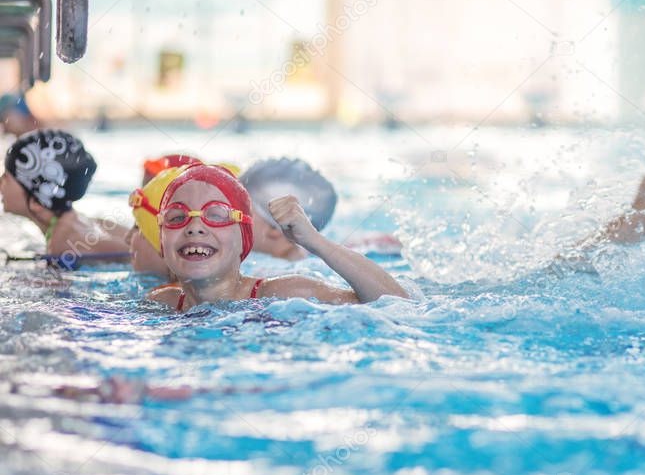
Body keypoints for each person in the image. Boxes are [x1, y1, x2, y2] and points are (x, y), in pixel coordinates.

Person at [145, 163, 408, 310]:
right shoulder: (162, 302)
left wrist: (314, 241)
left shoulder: (285, 293)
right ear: (161, 238)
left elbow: (396, 304)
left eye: (216, 214)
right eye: (176, 217)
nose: (194, 227)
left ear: (243, 239)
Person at [1, 129, 131, 264]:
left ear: (36, 201)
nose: (0, 183)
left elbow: (138, 256)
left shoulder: (63, 246)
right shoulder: (82, 220)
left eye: (6, 177)